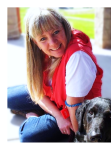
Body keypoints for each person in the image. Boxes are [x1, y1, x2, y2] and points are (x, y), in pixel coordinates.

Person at [7, 7, 103, 142]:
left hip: (71, 114)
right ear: (36, 42)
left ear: (64, 27)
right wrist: (57, 115)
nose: (53, 42)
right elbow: (37, 90)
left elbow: (75, 108)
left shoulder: (77, 57)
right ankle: (41, 113)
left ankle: (33, 117)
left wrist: (79, 139)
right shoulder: (39, 52)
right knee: (8, 97)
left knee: (28, 137)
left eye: (56, 32)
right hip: (56, 104)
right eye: (43, 38)